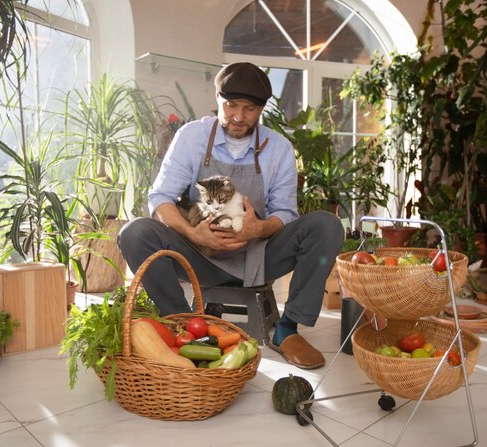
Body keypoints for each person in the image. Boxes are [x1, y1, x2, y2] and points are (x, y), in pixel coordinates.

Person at [118, 62, 343, 369]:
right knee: (135, 232)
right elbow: (160, 199)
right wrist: (194, 233)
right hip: (198, 257)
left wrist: (259, 229)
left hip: (260, 256)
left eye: (249, 109)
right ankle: (185, 327)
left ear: (262, 108)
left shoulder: (278, 149)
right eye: (230, 106)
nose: (238, 116)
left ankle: (287, 329)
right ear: (217, 97)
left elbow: (285, 214)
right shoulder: (191, 137)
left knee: (326, 225)